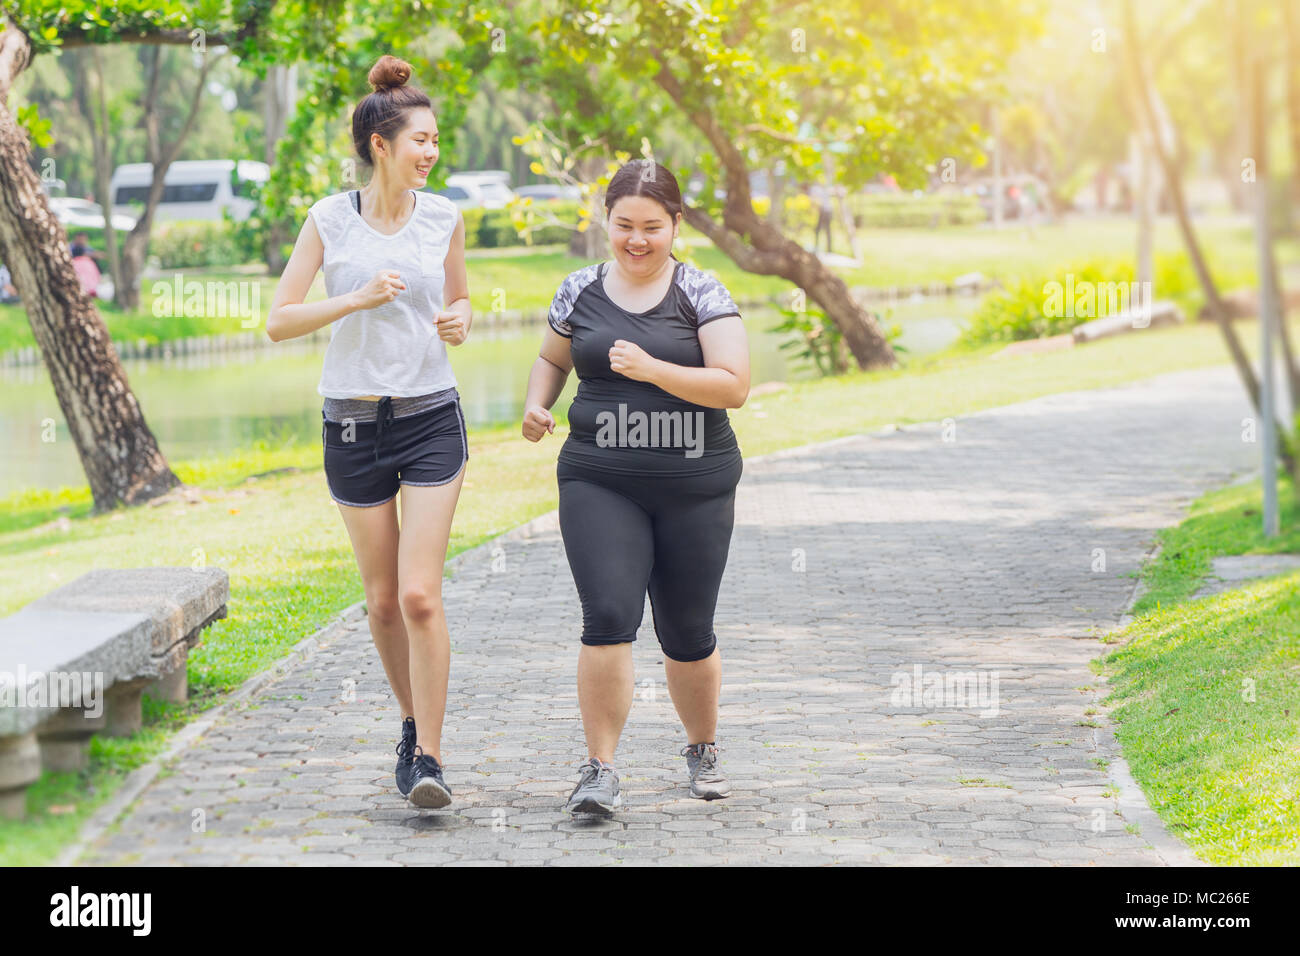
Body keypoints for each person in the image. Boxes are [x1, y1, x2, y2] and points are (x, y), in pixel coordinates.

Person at [266, 54, 471, 810]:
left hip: (429, 419)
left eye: (436, 140)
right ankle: (411, 726)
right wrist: (351, 300)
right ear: (380, 144)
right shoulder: (328, 219)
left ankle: (433, 761)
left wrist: (459, 318)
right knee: (382, 601)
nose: (431, 151)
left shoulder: (445, 215)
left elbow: (460, 300)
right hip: (351, 425)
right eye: (420, 139)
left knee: (419, 596)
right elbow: (280, 321)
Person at [521, 159, 750, 815]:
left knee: (686, 630)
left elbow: (733, 384)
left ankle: (702, 749)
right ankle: (599, 769)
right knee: (608, 619)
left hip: (695, 485)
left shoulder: (701, 293)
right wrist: (539, 404)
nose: (638, 240)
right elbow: (550, 358)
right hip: (600, 479)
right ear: (607, 223)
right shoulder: (579, 289)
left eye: (653, 226)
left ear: (676, 225)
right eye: (624, 225)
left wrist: (652, 368)